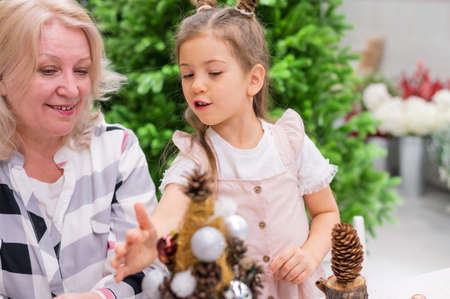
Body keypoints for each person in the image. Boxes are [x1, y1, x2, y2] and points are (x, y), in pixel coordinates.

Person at [112, 0, 340, 298]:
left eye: (214, 72)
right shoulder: (196, 160)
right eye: (188, 74)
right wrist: (151, 239)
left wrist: (310, 255)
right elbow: (170, 211)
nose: (197, 86)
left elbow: (326, 212)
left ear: (254, 79)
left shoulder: (290, 142)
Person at [0, 0, 159, 298]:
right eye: (49, 70)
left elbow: (149, 275)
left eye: (82, 71)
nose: (71, 89)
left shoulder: (118, 151)